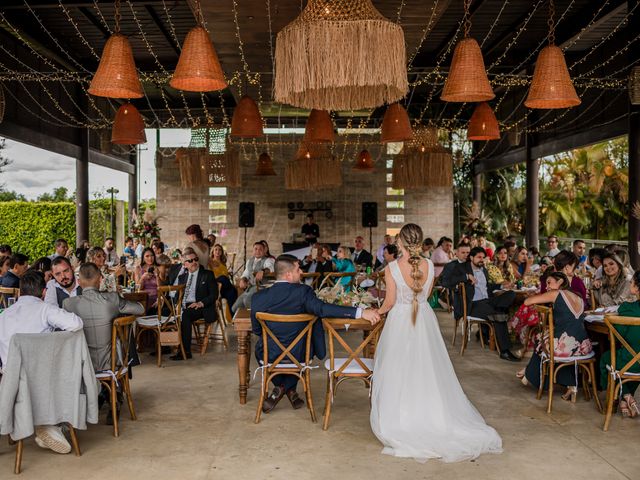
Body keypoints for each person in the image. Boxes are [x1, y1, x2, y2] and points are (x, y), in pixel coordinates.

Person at [370, 223, 502, 463]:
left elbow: (389, 302)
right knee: (426, 368)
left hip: (400, 319)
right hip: (423, 319)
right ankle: (433, 415)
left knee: (399, 368)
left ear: (400, 242)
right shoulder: (430, 265)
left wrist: (375, 313)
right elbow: (427, 294)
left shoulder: (392, 268)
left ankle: (401, 418)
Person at [251, 254, 379, 413]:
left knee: (259, 349)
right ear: (289, 274)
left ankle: (280, 388)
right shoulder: (304, 292)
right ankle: (287, 388)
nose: (302, 273)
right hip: (299, 355)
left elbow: (257, 330)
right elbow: (323, 309)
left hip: (269, 355)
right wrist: (360, 312)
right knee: (305, 347)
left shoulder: (258, 298)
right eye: (298, 269)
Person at [0, 270, 83, 454]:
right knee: (70, 374)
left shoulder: (4, 315)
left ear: (20, 291)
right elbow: (77, 324)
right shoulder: (45, 309)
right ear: (44, 292)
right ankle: (52, 425)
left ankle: (36, 425)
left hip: (10, 382)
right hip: (43, 380)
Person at [520, 272, 592, 401]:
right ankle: (571, 384)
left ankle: (532, 375)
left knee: (541, 340)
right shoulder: (579, 297)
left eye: (549, 282)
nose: (547, 286)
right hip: (584, 346)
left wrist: (536, 295)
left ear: (559, 282)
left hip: (566, 348)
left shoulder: (556, 293)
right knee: (555, 342)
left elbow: (527, 302)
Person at [440, 246, 518, 361]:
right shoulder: (461, 268)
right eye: (479, 257)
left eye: (483, 257)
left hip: (488, 301)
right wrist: (466, 276)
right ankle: (504, 351)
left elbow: (487, 287)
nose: (482, 259)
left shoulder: (483, 270)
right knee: (498, 315)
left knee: (511, 294)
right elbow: (445, 282)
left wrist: (502, 286)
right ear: (471, 257)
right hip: (473, 305)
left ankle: (496, 316)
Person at [63, 263, 144, 372]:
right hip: (111, 363)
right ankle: (116, 387)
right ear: (100, 279)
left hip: (82, 366)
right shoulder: (112, 298)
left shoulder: (68, 304)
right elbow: (140, 309)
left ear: (79, 281)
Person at [599, 270, 640, 418]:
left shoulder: (626, 308)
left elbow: (619, 335)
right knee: (632, 364)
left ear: (635, 288)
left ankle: (626, 395)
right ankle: (625, 400)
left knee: (607, 359)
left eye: (632, 282)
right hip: (635, 362)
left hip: (630, 360)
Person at [168, 248, 218, 360]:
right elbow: (176, 294)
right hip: (184, 305)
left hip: (201, 307)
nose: (194, 262)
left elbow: (214, 295)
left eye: (195, 259)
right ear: (185, 264)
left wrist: (201, 303)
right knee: (165, 311)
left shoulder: (207, 274)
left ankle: (185, 351)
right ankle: (164, 347)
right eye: (190, 261)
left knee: (185, 315)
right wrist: (176, 305)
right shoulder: (183, 276)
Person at [232, 242, 275, 312]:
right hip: (250, 287)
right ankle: (242, 321)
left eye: (260, 249)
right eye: (256, 249)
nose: (258, 251)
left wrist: (263, 271)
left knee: (247, 300)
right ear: (253, 251)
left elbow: (271, 267)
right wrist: (243, 279)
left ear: (264, 251)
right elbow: (246, 273)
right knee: (235, 308)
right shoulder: (249, 261)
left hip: (262, 287)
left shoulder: (269, 260)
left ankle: (258, 320)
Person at [209, 243, 238, 308]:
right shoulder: (210, 262)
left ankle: (231, 315)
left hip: (224, 287)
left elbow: (227, 277)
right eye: (216, 250)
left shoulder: (223, 264)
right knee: (223, 278)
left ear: (222, 252)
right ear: (213, 252)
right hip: (215, 285)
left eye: (220, 250)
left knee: (233, 292)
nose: (218, 251)